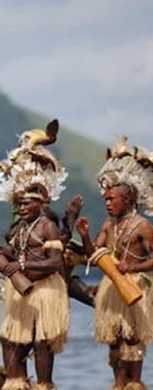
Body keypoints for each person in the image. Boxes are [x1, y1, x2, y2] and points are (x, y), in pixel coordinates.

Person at [0, 122, 69, 390]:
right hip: (23, 292)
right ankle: (17, 383)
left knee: (42, 343)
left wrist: (22, 264)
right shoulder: (23, 227)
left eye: (27, 203)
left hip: (45, 291)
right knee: (11, 338)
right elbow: (15, 253)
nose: (22, 207)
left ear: (40, 203)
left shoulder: (47, 226)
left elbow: (55, 263)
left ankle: (43, 385)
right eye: (19, 204)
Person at [75, 136, 153, 390]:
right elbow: (93, 256)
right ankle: (118, 385)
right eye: (106, 199)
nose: (107, 203)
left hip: (136, 288)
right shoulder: (109, 224)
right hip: (112, 288)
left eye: (112, 199)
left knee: (133, 339)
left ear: (128, 200)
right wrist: (85, 235)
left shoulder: (142, 226)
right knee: (114, 340)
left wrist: (132, 268)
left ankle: (135, 384)